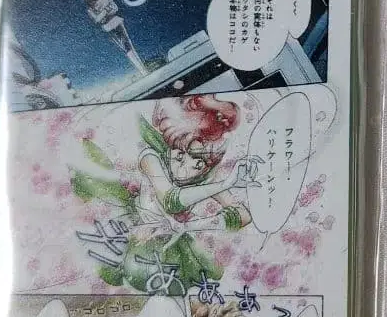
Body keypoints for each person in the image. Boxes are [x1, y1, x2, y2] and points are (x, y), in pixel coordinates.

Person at [71, 95, 261, 294]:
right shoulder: (151, 157)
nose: (184, 168)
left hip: (169, 243)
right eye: (179, 154)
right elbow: (170, 200)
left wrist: (191, 225)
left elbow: (244, 215)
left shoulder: (206, 176)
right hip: (133, 230)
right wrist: (225, 184)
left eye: (198, 162)